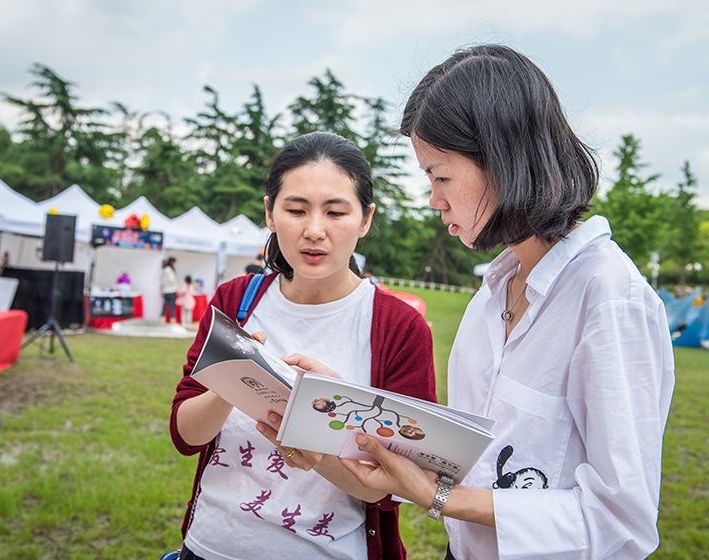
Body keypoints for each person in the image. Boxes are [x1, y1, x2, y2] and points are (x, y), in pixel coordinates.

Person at [284, 45, 676, 560]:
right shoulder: (493, 292)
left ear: (504, 162)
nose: (433, 199)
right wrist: (352, 414)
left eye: (440, 175)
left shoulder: (609, 298)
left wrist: (442, 498)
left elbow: (621, 522)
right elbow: (472, 455)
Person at [169, 131, 436, 560]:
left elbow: (400, 489)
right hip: (208, 547)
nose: (314, 231)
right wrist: (233, 380)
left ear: (365, 220)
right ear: (270, 215)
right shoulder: (235, 300)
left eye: (335, 212)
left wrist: (317, 440)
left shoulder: (398, 327)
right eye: (295, 210)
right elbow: (186, 435)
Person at [160, 257, 179, 323]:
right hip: (171, 290)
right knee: (172, 307)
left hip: (165, 291)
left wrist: (160, 291)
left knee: (165, 306)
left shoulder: (163, 270)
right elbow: (171, 279)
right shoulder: (170, 270)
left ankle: (162, 321)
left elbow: (161, 283)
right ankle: (172, 321)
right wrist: (178, 287)